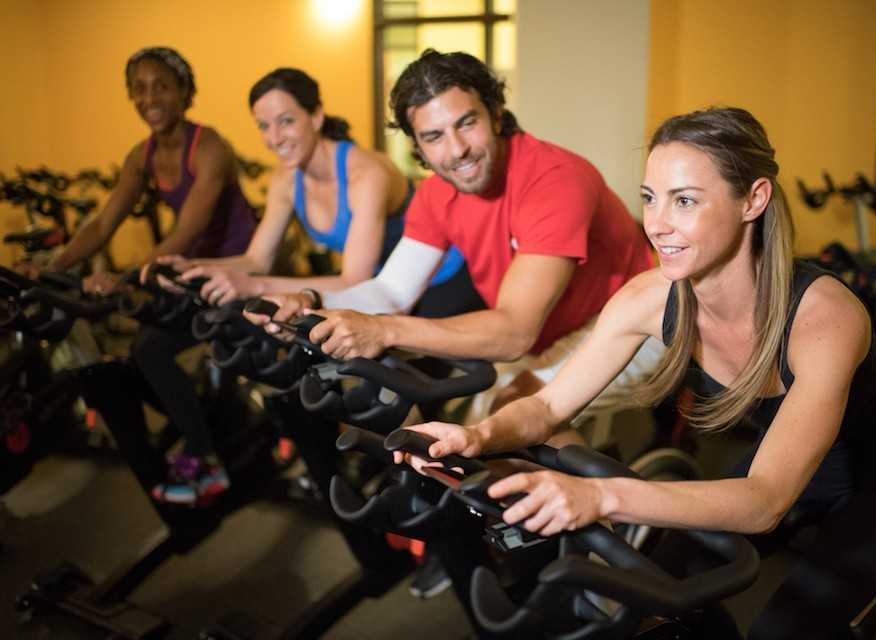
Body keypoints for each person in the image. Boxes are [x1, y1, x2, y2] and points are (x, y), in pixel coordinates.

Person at [398, 107, 876, 638]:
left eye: (685, 201)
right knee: (658, 593)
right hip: (792, 459)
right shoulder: (650, 298)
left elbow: (763, 500)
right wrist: (474, 436)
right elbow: (546, 407)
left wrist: (601, 496)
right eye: (650, 199)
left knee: (785, 628)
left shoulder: (824, 317)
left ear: (753, 200)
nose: (657, 225)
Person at [248, 50, 660, 602]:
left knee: (513, 415)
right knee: (468, 445)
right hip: (547, 337)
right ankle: (508, 552)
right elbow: (392, 289)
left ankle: (615, 587)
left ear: (494, 112)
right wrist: (311, 300)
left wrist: (386, 330)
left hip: (631, 325)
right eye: (434, 136)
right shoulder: (438, 193)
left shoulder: (554, 178)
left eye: (466, 123)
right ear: (416, 146)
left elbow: (512, 330)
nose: (456, 150)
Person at [51, 47, 257, 507]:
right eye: (139, 89)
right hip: (191, 273)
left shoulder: (209, 147)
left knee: (155, 347)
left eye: (161, 85)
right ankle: (204, 442)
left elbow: (189, 230)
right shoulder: (140, 156)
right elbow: (103, 224)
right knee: (148, 349)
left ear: (185, 92)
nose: (150, 97)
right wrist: (54, 267)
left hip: (240, 271)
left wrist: (125, 278)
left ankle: (205, 450)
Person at [164, 67, 476, 319]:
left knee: (395, 381)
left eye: (286, 121)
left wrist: (253, 286)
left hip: (442, 277)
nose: (274, 138)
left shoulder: (365, 175)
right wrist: (196, 268)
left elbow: (353, 280)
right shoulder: (286, 180)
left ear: (315, 117)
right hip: (383, 284)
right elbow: (256, 259)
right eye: (263, 125)